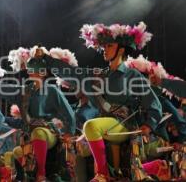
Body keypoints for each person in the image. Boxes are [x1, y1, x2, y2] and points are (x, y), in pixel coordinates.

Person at [39, 22, 163, 181]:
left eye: (109, 46)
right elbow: (71, 73)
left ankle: (103, 174)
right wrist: (46, 58)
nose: (105, 49)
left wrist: (149, 124)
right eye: (104, 46)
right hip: (102, 126)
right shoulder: (97, 76)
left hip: (123, 125)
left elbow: (153, 103)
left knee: (90, 126)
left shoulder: (132, 75)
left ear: (121, 50)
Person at [0, 46, 76, 182]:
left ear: (43, 73)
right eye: (31, 71)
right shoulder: (24, 91)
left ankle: (41, 174)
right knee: (17, 152)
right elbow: (1, 88)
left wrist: (69, 132)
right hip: (30, 136)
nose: (32, 74)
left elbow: (69, 114)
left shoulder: (52, 90)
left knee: (38, 132)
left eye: (36, 71)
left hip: (49, 134)